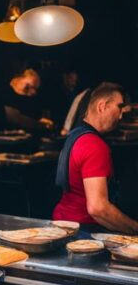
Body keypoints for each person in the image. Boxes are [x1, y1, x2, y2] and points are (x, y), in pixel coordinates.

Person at [53, 83, 138, 233]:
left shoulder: (75, 135)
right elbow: (98, 208)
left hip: (63, 223)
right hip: (85, 231)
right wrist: (134, 228)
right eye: (119, 107)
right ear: (102, 106)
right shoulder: (94, 145)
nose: (120, 116)